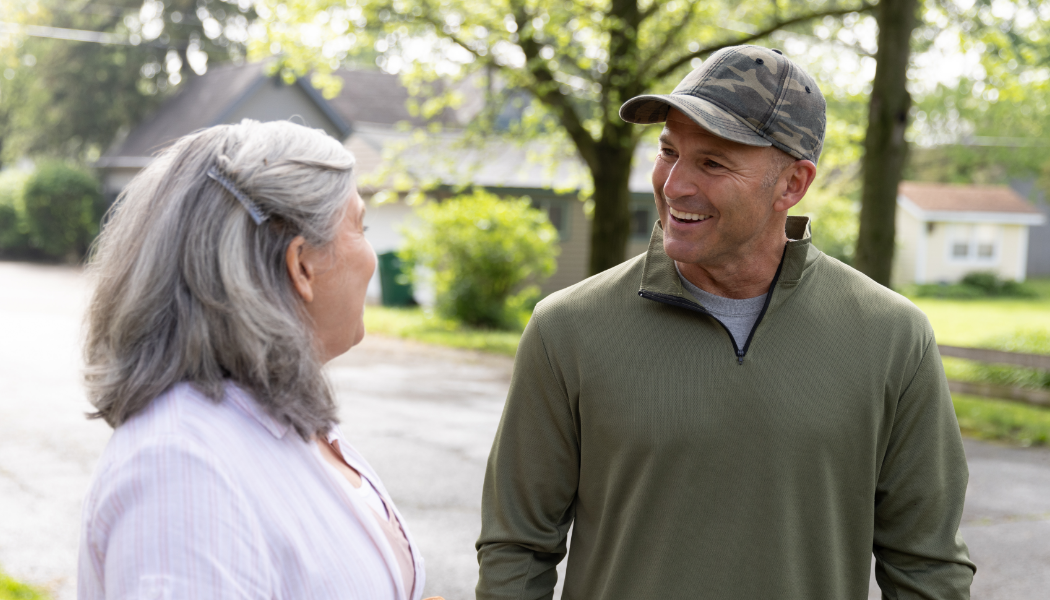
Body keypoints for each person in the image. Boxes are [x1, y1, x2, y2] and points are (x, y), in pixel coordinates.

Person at [476, 45, 974, 599]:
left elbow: (927, 566)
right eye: (669, 152)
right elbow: (516, 549)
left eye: (712, 162)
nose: (674, 185)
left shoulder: (892, 337)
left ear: (792, 185)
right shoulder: (567, 329)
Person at [78, 120, 436, 600]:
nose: (373, 257)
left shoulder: (278, 418)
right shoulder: (183, 472)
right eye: (361, 227)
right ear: (301, 265)